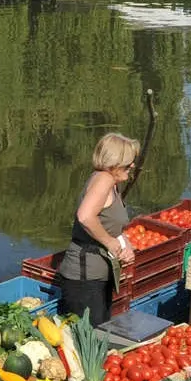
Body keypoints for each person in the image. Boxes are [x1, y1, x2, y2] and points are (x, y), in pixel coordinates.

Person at [55, 133, 139, 325]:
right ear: (115, 162)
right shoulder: (104, 180)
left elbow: (108, 224)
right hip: (84, 277)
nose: (133, 165)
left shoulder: (111, 183)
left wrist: (124, 244)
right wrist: (110, 243)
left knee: (100, 334)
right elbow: (85, 216)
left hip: (98, 273)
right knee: (90, 340)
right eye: (129, 162)